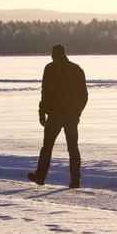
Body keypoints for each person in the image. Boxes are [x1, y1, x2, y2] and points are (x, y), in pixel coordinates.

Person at [28, 44, 88, 188]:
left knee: (47, 147)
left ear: (54, 55)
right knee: (73, 148)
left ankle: (40, 177)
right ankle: (75, 181)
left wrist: (42, 112)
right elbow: (84, 95)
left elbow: (45, 92)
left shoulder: (50, 68)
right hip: (71, 116)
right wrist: (77, 112)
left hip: (55, 116)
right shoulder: (76, 69)